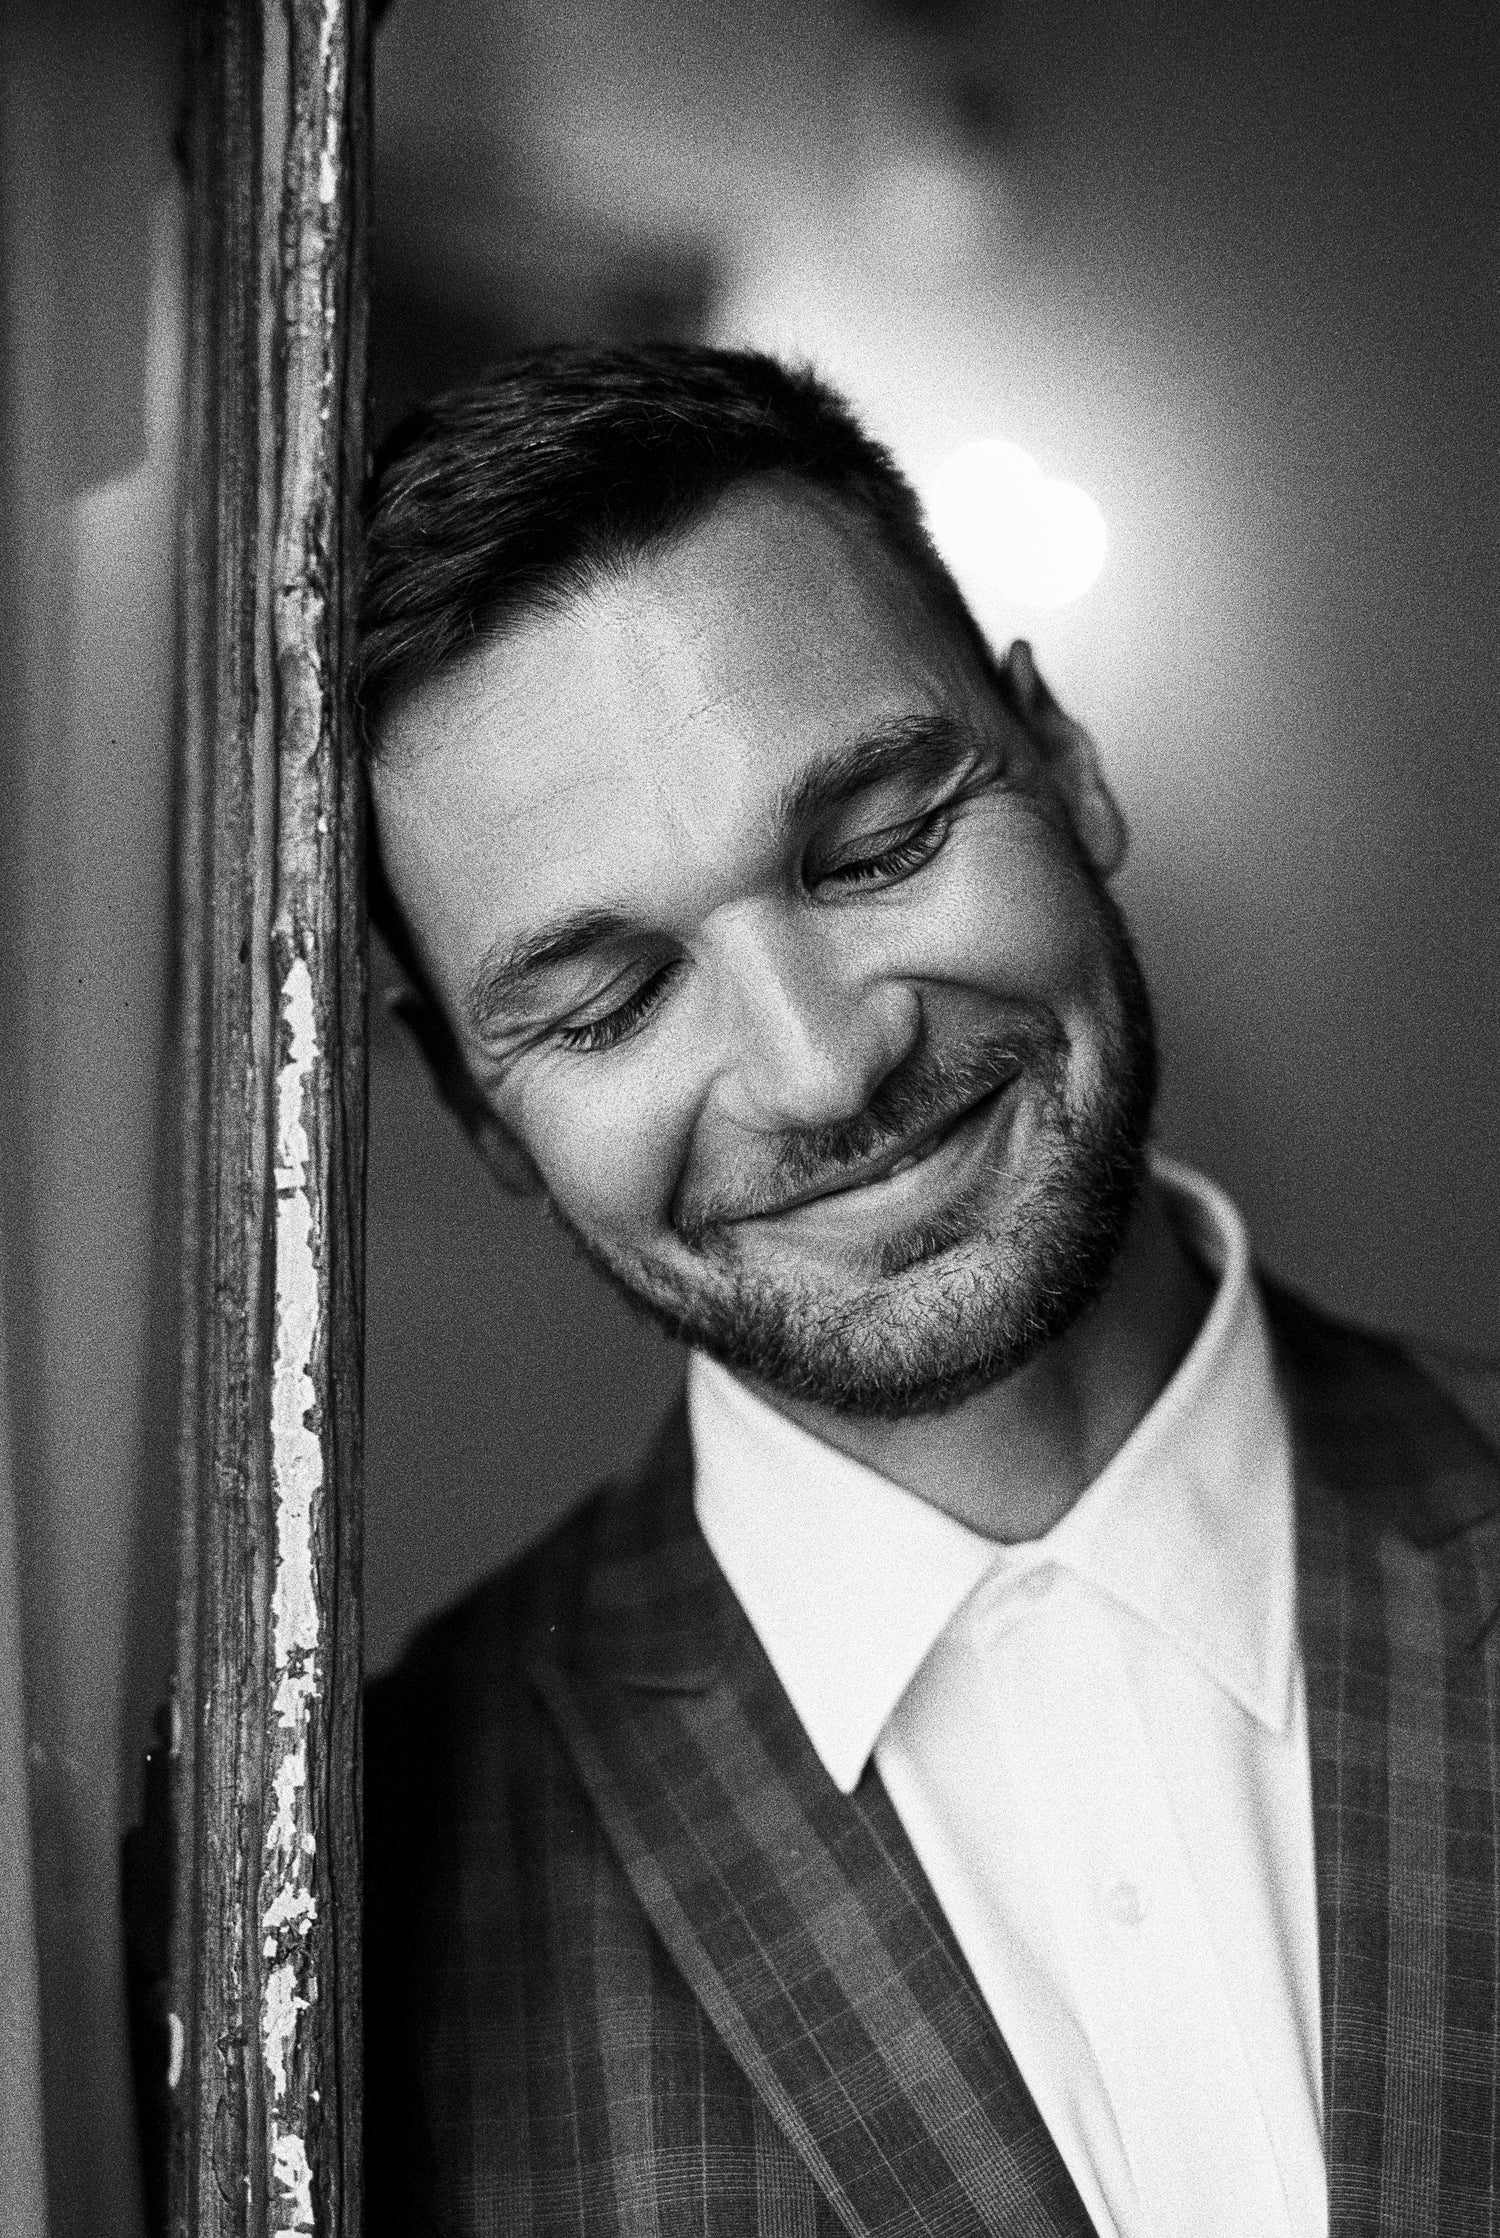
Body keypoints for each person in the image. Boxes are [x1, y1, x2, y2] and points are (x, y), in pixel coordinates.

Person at [359, 344, 1500, 2238]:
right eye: (608, 1003)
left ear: (1066, 764)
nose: (819, 1066)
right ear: (481, 1109)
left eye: (879, 845)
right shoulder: (364, 1891)